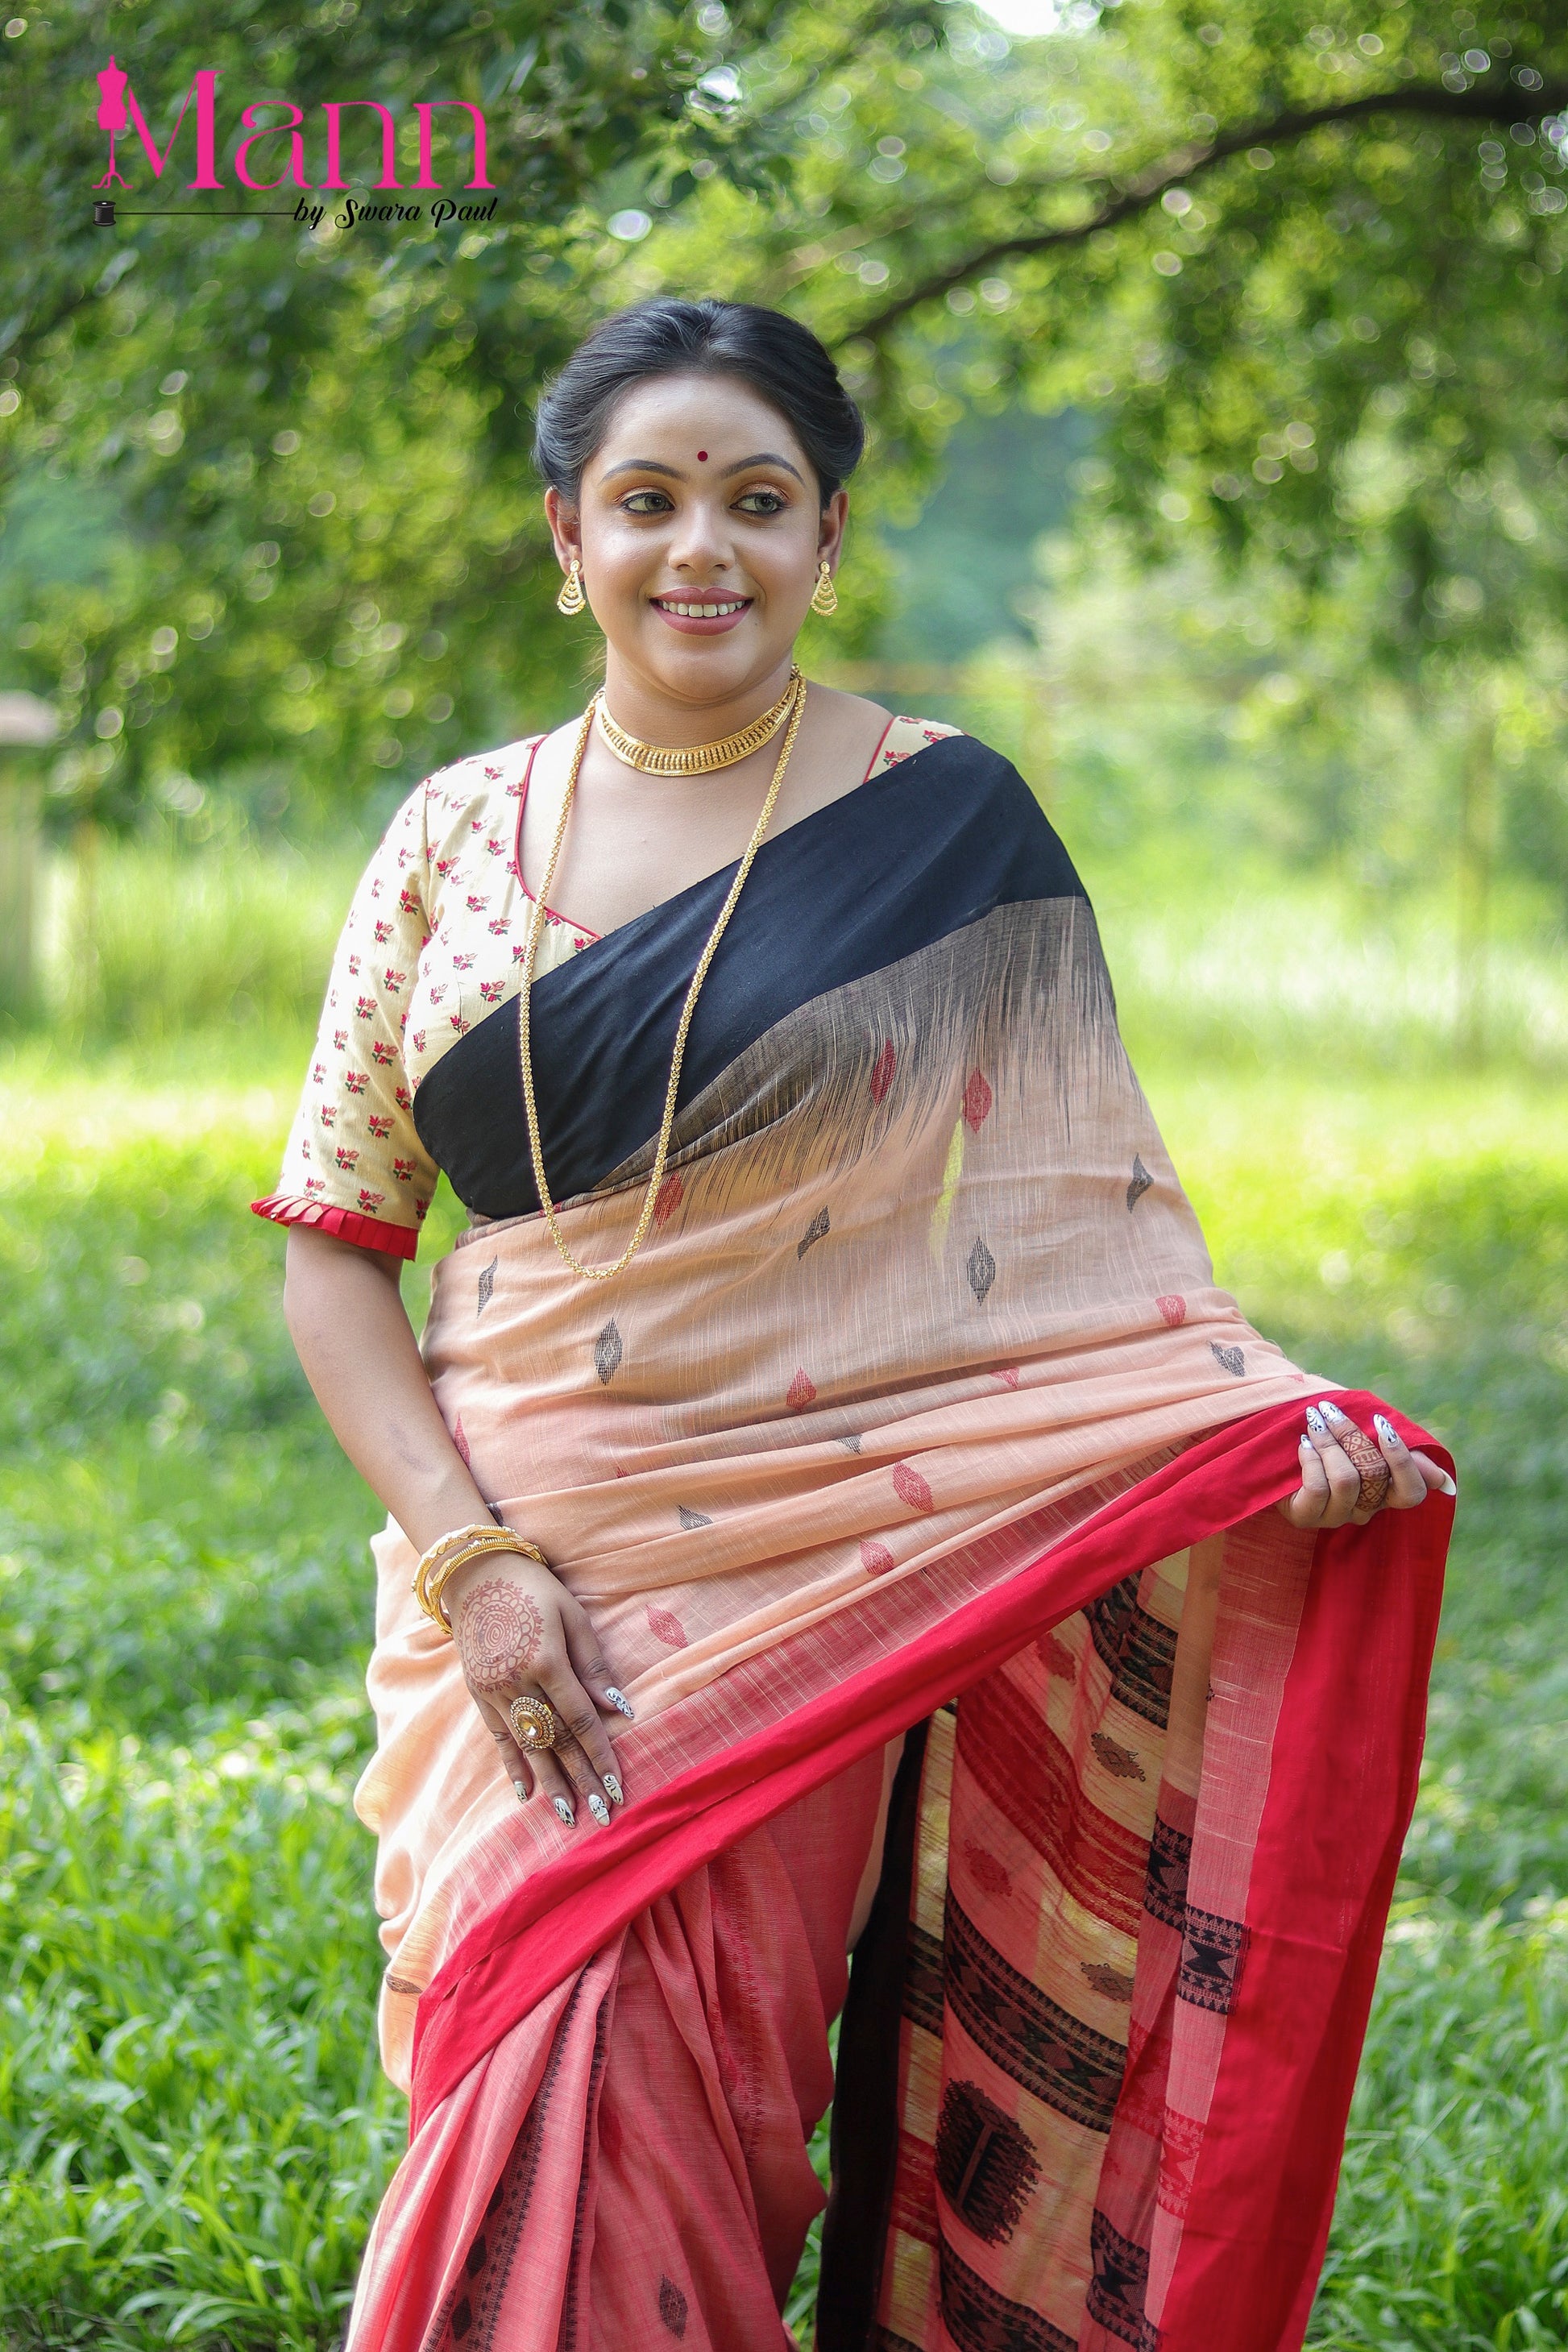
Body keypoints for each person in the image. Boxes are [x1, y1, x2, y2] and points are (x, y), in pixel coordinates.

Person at [255, 297, 1456, 2352]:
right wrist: (475, 1567)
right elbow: (334, 1245)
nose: (696, 547)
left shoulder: (942, 830)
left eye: (755, 499)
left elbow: (1084, 1245)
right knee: (519, 2077)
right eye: (646, 501)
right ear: (568, 538)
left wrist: (1270, 1431)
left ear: (825, 536)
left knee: (673, 2100)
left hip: (808, 1567)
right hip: (509, 1558)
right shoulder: (452, 835)